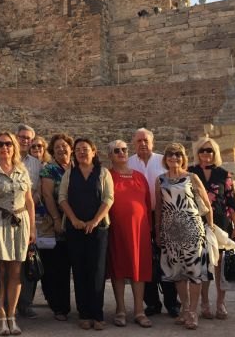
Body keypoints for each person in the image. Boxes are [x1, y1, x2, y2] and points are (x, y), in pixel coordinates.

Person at [0, 131, 36, 336]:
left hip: (20, 223)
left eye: (9, 144)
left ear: (14, 147)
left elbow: (29, 201)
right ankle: (0, 315)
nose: (5, 148)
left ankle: (12, 315)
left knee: (16, 271)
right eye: (1, 144)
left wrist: (33, 229)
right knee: (0, 271)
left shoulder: (23, 170)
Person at [155, 143, 213, 330]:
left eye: (178, 155)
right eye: (170, 154)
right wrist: (158, 231)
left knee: (194, 273)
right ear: (165, 158)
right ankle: (185, 308)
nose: (174, 158)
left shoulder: (191, 177)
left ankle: (193, 312)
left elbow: (207, 205)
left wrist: (210, 228)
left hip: (192, 231)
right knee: (178, 273)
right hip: (171, 232)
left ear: (183, 158)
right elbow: (159, 208)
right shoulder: (160, 180)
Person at [58, 138, 113, 331]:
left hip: (98, 229)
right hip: (75, 228)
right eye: (78, 150)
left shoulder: (103, 173)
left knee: (97, 271)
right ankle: (84, 313)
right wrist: (73, 220)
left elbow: (108, 198)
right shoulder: (69, 174)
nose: (82, 152)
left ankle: (97, 314)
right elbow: (62, 198)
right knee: (79, 271)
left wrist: (95, 221)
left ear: (94, 151)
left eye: (86, 149)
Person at [127, 128, 180, 317]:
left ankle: (172, 302)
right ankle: (151, 303)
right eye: (139, 140)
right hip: (140, 218)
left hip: (165, 215)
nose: (142, 144)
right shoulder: (129, 162)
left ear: (152, 142)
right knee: (144, 260)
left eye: (145, 140)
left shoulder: (163, 160)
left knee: (167, 259)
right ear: (134, 143)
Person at [189, 137, 235, 320]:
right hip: (197, 223)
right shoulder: (190, 172)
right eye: (202, 150)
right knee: (202, 265)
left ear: (215, 153)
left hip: (221, 224)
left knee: (219, 266)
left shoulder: (223, 174)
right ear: (198, 153)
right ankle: (204, 302)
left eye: (209, 150)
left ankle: (220, 302)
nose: (206, 154)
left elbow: (232, 201)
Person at [107, 140, 152, 328]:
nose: (121, 153)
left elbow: (147, 204)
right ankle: (120, 309)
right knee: (118, 269)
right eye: (116, 151)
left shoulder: (140, 177)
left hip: (140, 230)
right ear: (110, 155)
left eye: (124, 150)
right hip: (116, 229)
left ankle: (139, 311)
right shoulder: (107, 176)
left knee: (138, 270)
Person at [38, 133, 73, 321]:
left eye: (65, 145)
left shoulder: (76, 167)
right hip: (56, 224)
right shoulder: (49, 169)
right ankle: (59, 307)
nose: (62, 149)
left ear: (71, 148)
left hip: (76, 224)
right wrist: (56, 219)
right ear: (53, 150)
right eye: (57, 147)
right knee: (56, 267)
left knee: (71, 265)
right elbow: (48, 196)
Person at [15, 124, 41, 319]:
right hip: (7, 216)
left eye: (28, 138)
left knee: (29, 260)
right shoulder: (6, 157)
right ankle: (8, 304)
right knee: (9, 262)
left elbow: (39, 189)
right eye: (22, 137)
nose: (25, 140)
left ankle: (26, 303)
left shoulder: (35, 163)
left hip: (27, 216)